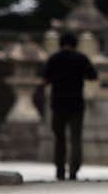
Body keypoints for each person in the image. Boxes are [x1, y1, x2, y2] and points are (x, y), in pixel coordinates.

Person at [42, 32, 98, 181]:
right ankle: (74, 170)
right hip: (76, 103)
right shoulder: (81, 59)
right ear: (75, 44)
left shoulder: (54, 59)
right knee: (75, 138)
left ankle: (60, 170)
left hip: (58, 103)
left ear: (60, 43)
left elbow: (45, 79)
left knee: (59, 138)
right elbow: (93, 76)